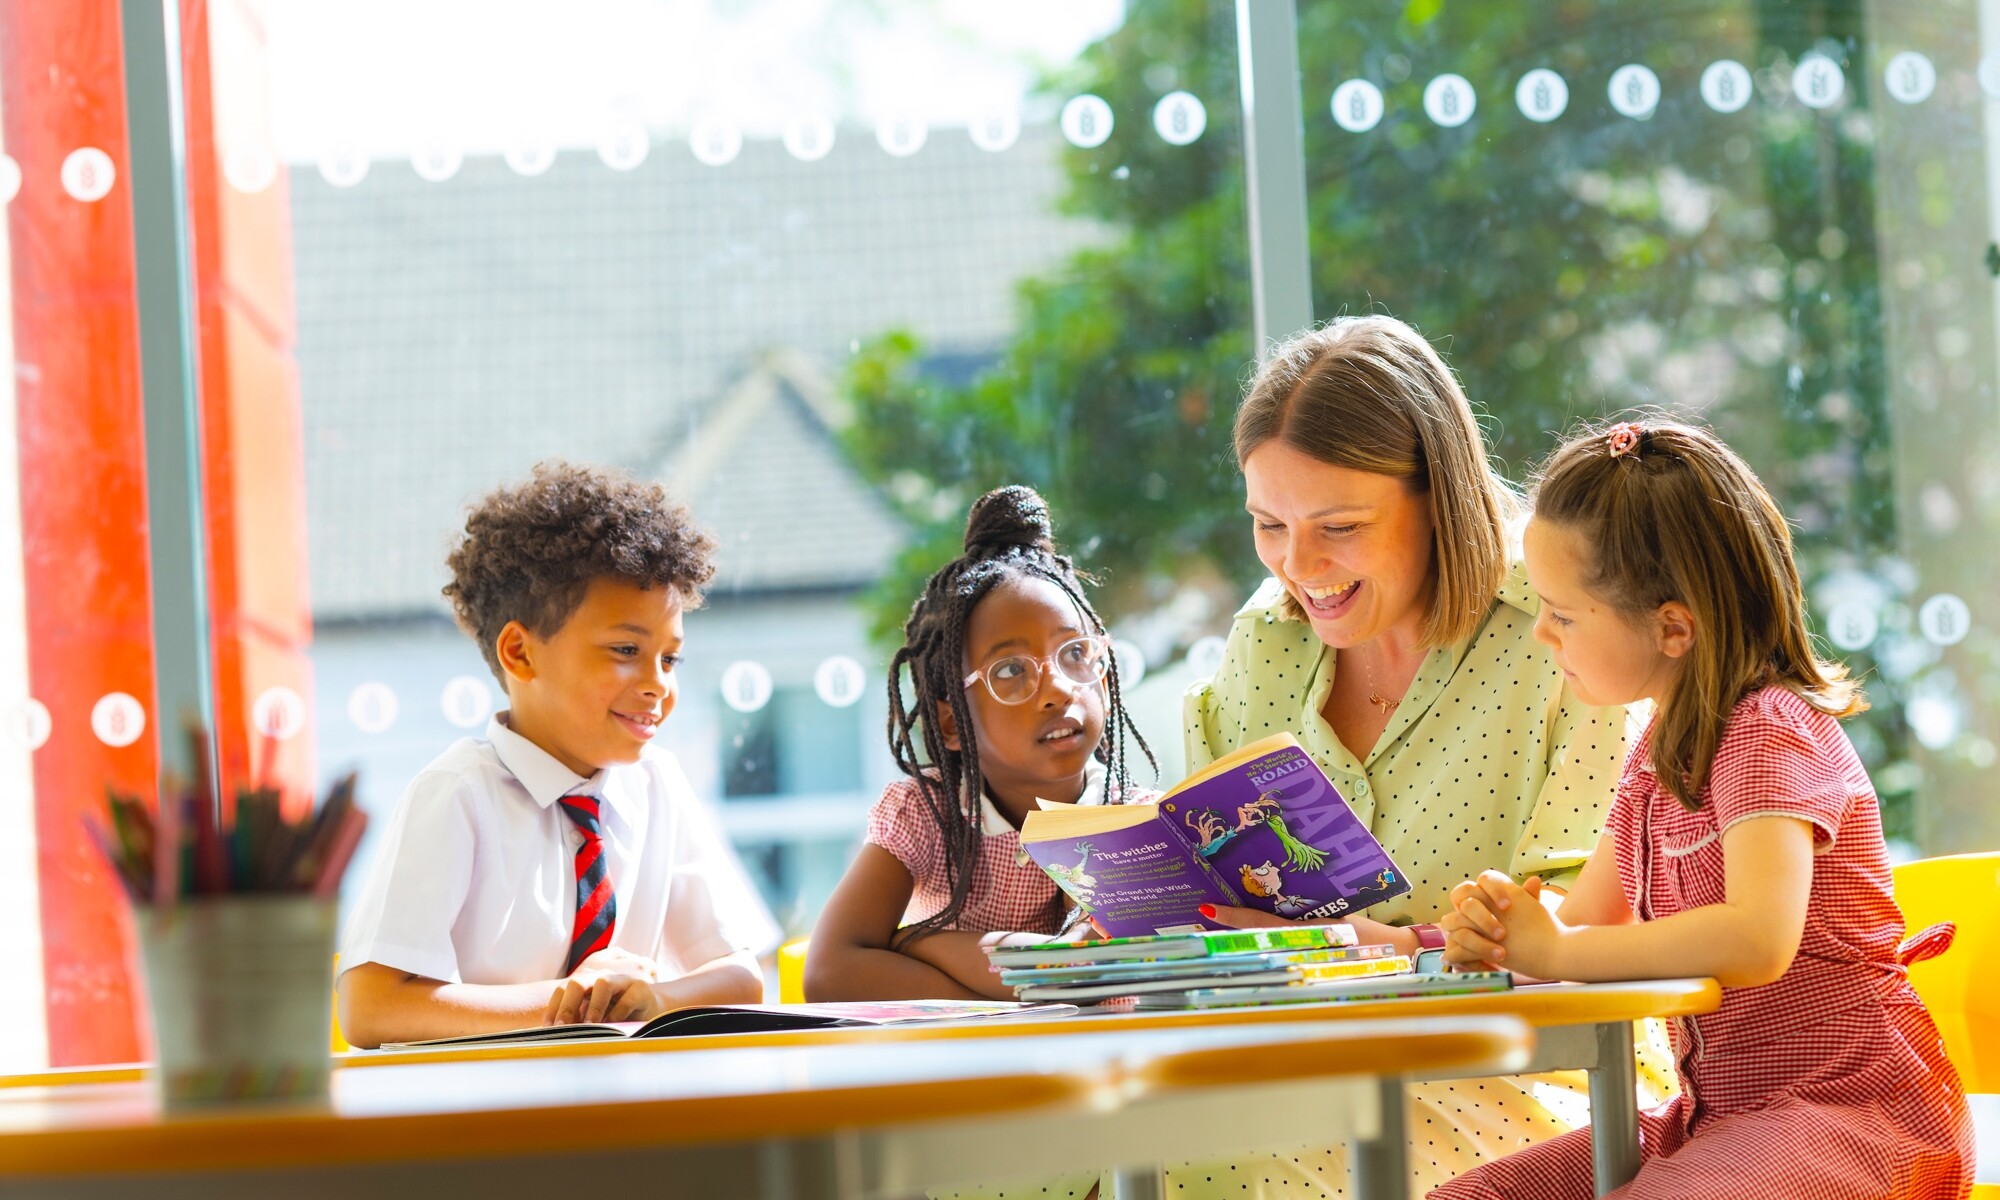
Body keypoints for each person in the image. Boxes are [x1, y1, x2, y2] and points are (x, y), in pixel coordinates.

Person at [1432, 420, 1973, 1200]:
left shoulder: (1768, 731)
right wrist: (1503, 934)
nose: (1542, 632)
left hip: (1852, 1109)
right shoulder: (1656, 757)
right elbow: (1583, 922)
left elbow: (1757, 939)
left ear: (1673, 627)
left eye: (1563, 613)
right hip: (1717, 1117)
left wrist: (1555, 950)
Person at [1175, 316, 1647, 1196]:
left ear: (1440, 499)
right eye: (1269, 524)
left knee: (1219, 1165)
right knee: (1024, 1153)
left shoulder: (1563, 631)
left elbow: (1590, 931)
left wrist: (1385, 950)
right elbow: (1205, 880)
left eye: (1339, 526)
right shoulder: (1266, 640)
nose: (1298, 564)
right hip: (1289, 1059)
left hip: (1534, 1067)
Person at [336, 462, 777, 1049]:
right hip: (489, 1103)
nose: (658, 685)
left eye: (670, 659)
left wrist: (657, 1001)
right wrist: (572, 1002)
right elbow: (371, 1008)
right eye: (626, 650)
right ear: (520, 653)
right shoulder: (458, 794)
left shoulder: (659, 786)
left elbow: (743, 976)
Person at [807, 485, 1155, 1004]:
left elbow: (1083, 978)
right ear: (951, 723)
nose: (1059, 689)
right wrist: (1022, 986)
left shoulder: (1137, 823)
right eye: (1011, 670)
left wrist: (921, 943)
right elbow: (828, 974)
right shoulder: (927, 815)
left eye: (1074, 653)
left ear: (1104, 680)